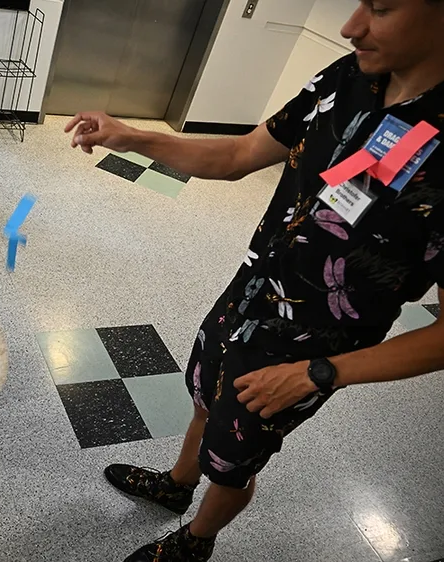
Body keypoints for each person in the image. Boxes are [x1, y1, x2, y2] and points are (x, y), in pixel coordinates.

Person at [65, 1, 444, 560]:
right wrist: (136, 137)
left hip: (305, 349)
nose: (350, 25)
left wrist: (319, 374)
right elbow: (242, 151)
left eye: (381, 8)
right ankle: (176, 485)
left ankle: (196, 542)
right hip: (248, 292)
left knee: (234, 457)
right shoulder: (346, 78)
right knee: (203, 398)